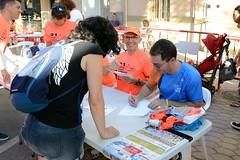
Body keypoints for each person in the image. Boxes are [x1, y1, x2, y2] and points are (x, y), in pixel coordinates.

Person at [20, 16, 120, 160]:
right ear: (105, 40)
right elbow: (96, 100)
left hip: (32, 126)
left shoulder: (62, 45)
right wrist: (103, 131)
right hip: (59, 133)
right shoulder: (92, 51)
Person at [129, 39, 203, 109]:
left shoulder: (191, 76)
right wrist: (138, 97)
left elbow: (197, 105)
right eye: (153, 64)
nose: (154, 68)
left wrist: (168, 103)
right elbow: (149, 86)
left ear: (172, 60)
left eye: (158, 65)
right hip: (160, 109)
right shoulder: (157, 69)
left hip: (183, 115)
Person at [107, 27, 153, 95]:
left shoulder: (146, 58)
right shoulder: (119, 56)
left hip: (135, 99)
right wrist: (109, 68)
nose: (130, 40)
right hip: (119, 95)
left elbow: (152, 86)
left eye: (134, 37)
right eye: (127, 37)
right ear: (123, 39)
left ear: (139, 40)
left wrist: (135, 81)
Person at [0, 0, 22, 141]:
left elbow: (2, 47)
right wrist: (3, 69)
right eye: (18, 7)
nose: (21, 10)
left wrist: (14, 60)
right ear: (8, 6)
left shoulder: (6, 23)